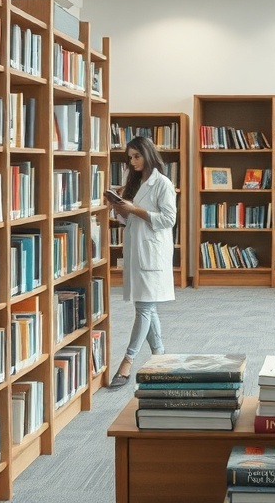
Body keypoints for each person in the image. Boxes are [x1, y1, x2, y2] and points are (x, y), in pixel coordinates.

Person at [108, 136, 177, 388]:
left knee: (144, 308)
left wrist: (134, 209)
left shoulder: (163, 183)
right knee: (147, 307)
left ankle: (127, 362)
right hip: (136, 251)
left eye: (136, 156)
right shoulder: (135, 184)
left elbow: (169, 219)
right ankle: (160, 357)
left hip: (152, 253)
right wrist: (121, 211)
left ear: (147, 154)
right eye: (130, 157)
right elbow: (132, 221)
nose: (132, 161)